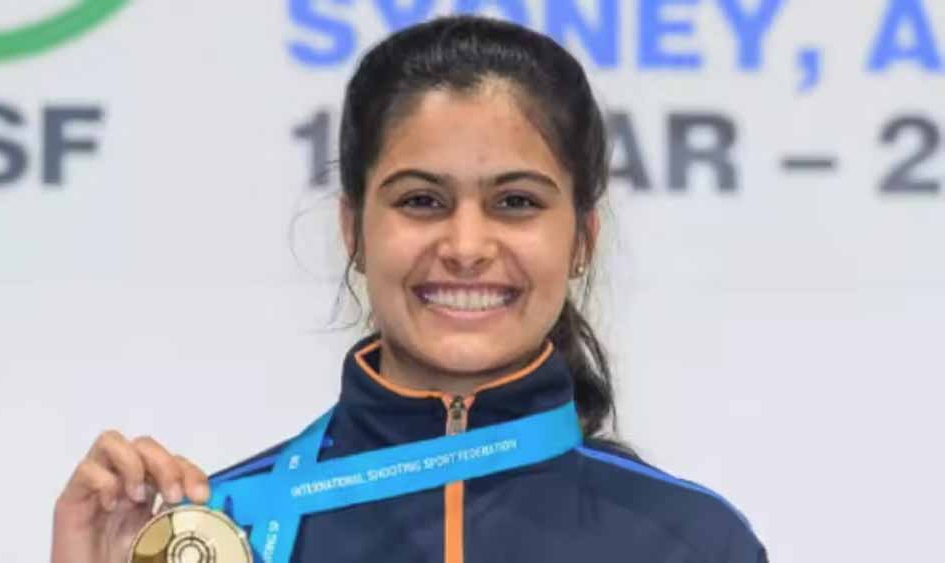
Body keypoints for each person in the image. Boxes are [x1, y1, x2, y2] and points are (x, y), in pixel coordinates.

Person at [51, 15, 767, 563]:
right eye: (421, 201)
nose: (466, 246)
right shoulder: (227, 533)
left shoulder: (694, 543)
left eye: (516, 202)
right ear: (354, 231)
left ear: (582, 238)